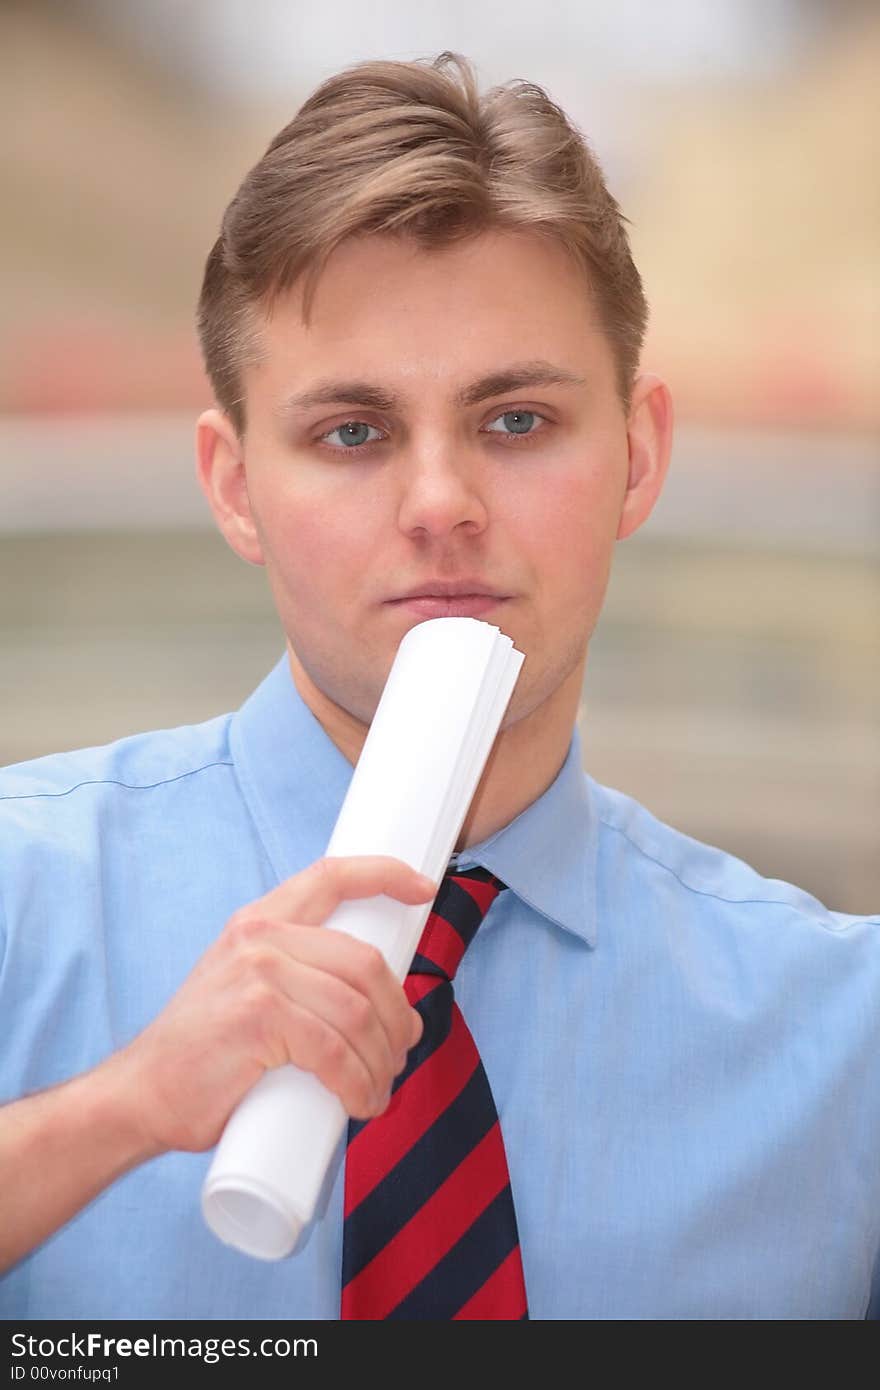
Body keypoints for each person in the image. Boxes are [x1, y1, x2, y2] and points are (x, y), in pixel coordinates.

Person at [1, 50, 878, 1322]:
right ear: (235, 484)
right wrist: (118, 1109)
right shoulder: (20, 898)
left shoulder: (838, 1031)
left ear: (637, 457)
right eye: (351, 433)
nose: (439, 506)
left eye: (515, 420)